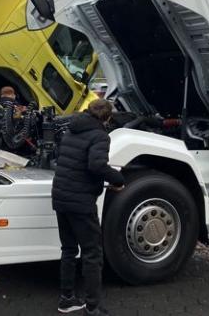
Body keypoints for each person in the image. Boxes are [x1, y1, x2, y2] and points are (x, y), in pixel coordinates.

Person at [51, 99, 125, 316]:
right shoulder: (100, 135)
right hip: (81, 202)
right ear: (107, 117)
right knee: (93, 253)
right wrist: (118, 179)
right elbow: (96, 164)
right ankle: (92, 307)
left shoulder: (71, 129)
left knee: (69, 250)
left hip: (61, 197)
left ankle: (66, 300)